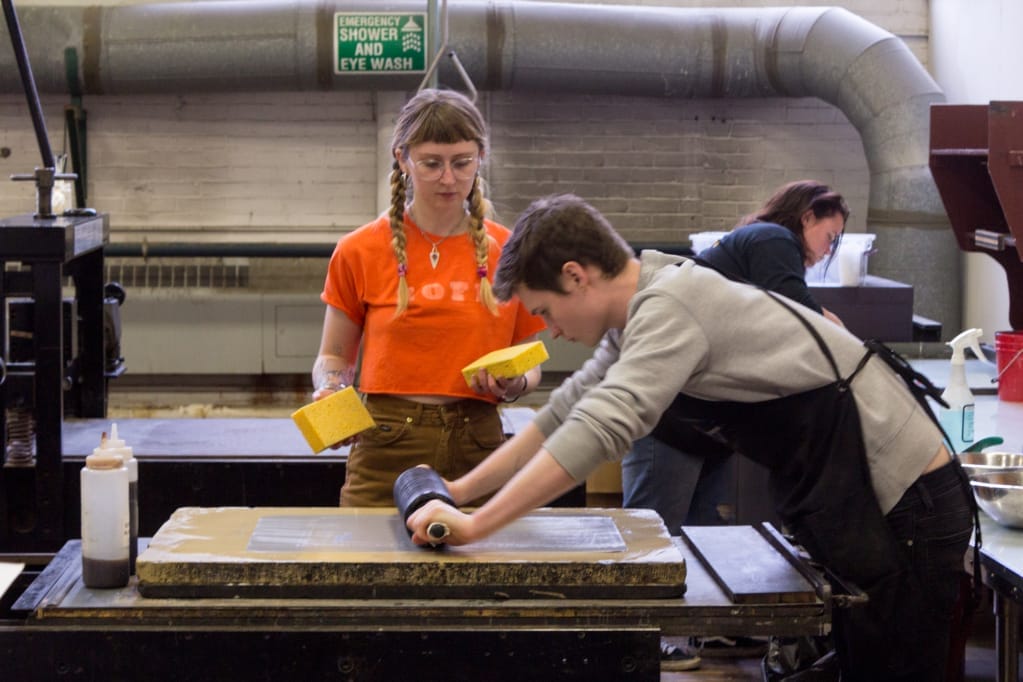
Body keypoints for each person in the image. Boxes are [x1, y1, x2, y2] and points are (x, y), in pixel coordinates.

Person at [406, 194, 975, 682]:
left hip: (908, 502)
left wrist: (478, 525)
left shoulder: (668, 305)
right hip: (865, 501)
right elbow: (568, 411)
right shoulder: (643, 299)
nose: (550, 330)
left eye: (545, 311)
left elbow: (603, 428)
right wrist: (458, 490)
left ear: (576, 276)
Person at [621, 180, 852, 666]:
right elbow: (797, 315)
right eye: (829, 238)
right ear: (807, 217)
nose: (827, 252)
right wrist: (844, 339)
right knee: (654, 532)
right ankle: (641, 642)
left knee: (706, 536)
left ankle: (708, 632)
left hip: (710, 419)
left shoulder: (761, 244)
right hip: (673, 414)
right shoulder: (773, 238)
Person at [312, 89, 546, 507]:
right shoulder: (358, 250)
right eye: (432, 164)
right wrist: (331, 391)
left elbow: (530, 362)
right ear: (403, 159)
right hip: (386, 441)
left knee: (485, 566)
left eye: (462, 163)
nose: (449, 178)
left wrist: (515, 383)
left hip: (479, 442)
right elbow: (333, 356)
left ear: (481, 156)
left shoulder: (508, 252)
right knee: (367, 562)